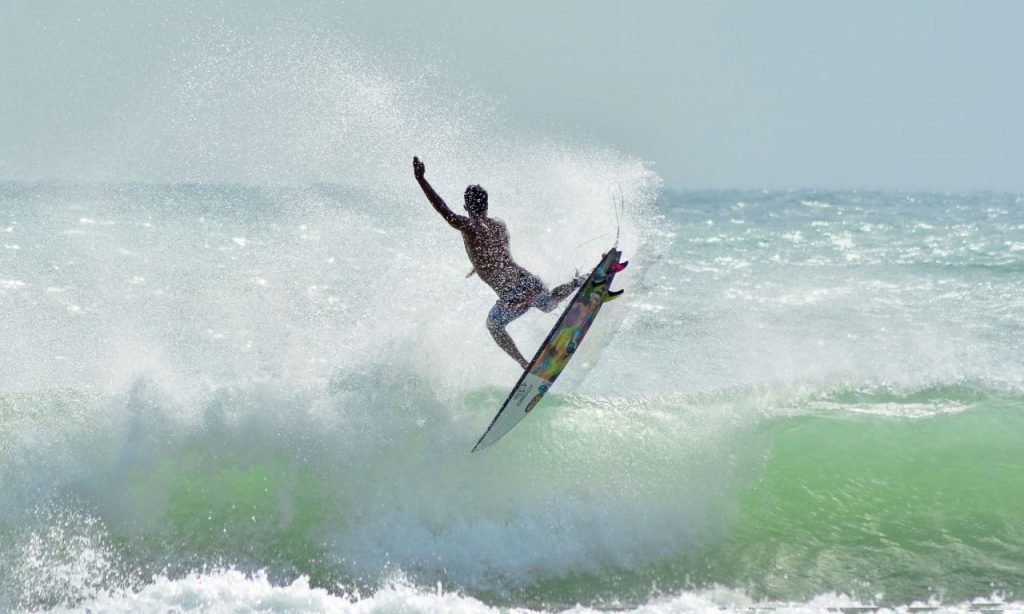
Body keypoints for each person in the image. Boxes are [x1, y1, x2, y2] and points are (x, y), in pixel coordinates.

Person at [413, 156, 584, 369]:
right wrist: (479, 266)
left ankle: (524, 364)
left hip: (511, 294)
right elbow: (498, 255)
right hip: (526, 279)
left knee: (494, 325)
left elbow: (444, 211)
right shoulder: (499, 225)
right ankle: (577, 283)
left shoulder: (469, 227)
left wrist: (421, 179)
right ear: (487, 204)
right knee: (549, 303)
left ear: (466, 205)